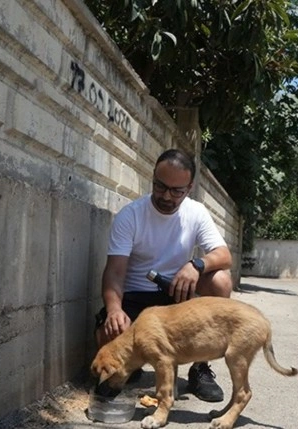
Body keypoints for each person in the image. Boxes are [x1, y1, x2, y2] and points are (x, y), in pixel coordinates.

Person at [94, 148, 233, 402]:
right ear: (153, 179)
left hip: (176, 300)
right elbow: (114, 271)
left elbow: (224, 255)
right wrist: (114, 310)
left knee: (221, 280)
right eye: (160, 186)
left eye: (176, 191)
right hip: (137, 297)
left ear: (189, 188)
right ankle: (128, 367)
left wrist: (196, 265)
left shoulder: (196, 213)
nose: (166, 196)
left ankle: (200, 368)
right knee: (106, 333)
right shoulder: (131, 215)